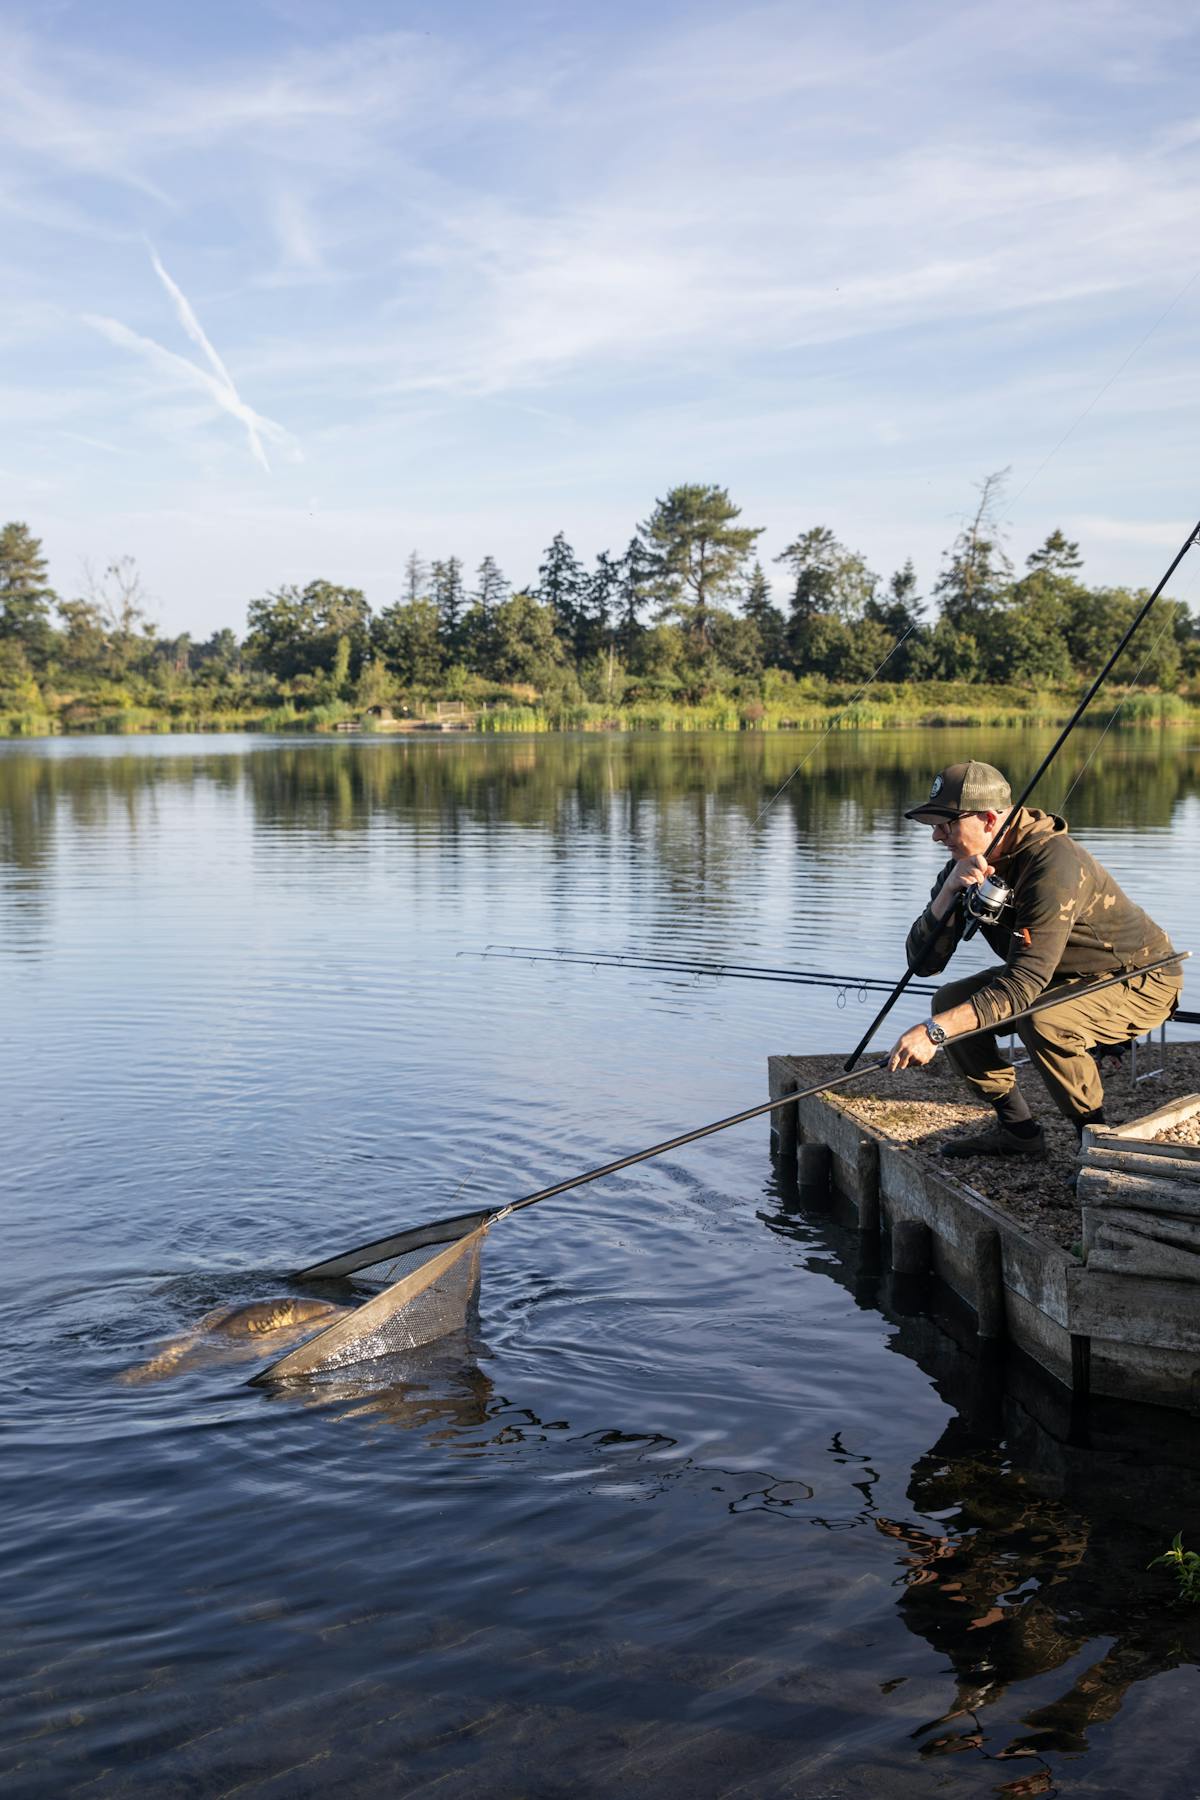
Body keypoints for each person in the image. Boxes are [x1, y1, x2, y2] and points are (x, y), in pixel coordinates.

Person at [887, 760, 1182, 1158]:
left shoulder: (1053, 863)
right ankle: (1019, 1132)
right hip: (1056, 970)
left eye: (946, 824)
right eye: (934, 825)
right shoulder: (966, 865)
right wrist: (947, 896)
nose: (937, 836)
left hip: (1138, 976)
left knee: (1043, 1019)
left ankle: (1096, 1141)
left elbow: (1022, 984)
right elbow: (922, 964)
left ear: (989, 819)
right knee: (949, 1002)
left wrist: (934, 1032)